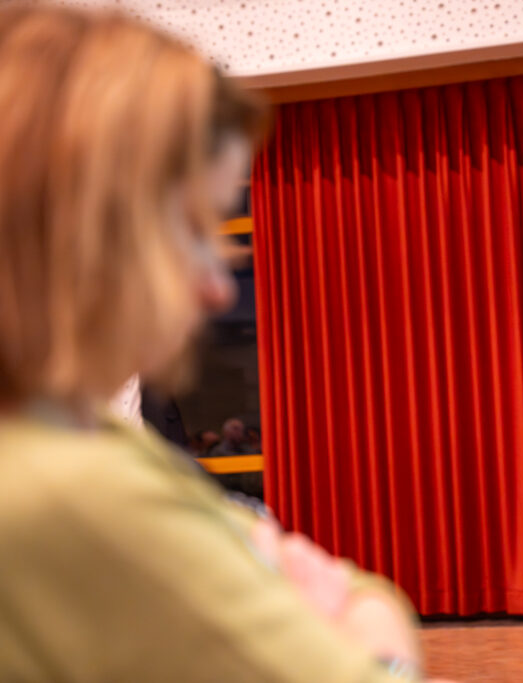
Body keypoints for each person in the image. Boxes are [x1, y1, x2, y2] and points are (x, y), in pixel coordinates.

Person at [0, 6, 428, 681]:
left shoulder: (82, 438)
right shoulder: (73, 487)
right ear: (80, 233)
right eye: (191, 227)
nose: (216, 289)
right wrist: (376, 627)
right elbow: (368, 651)